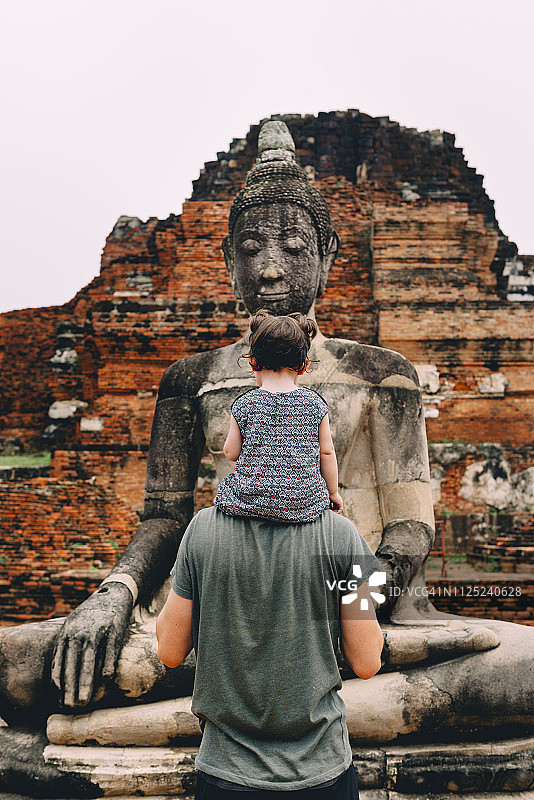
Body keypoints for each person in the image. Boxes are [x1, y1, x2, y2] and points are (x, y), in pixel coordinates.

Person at [214, 308, 343, 522]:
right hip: (304, 503)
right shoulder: (314, 404)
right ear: (303, 366)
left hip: (249, 502)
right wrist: (332, 493)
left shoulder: (244, 403)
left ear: (252, 361)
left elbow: (231, 453)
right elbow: (327, 453)